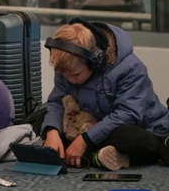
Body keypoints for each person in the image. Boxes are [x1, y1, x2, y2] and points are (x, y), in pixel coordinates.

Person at [41, 18, 169, 170]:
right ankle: (102, 156)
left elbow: (128, 113)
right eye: (64, 75)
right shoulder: (67, 68)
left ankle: (91, 156)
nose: (70, 80)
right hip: (95, 126)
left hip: (142, 128)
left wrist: (85, 140)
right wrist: (52, 132)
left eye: (76, 75)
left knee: (127, 137)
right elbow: (56, 102)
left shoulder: (131, 68)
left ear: (95, 61)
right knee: (44, 121)